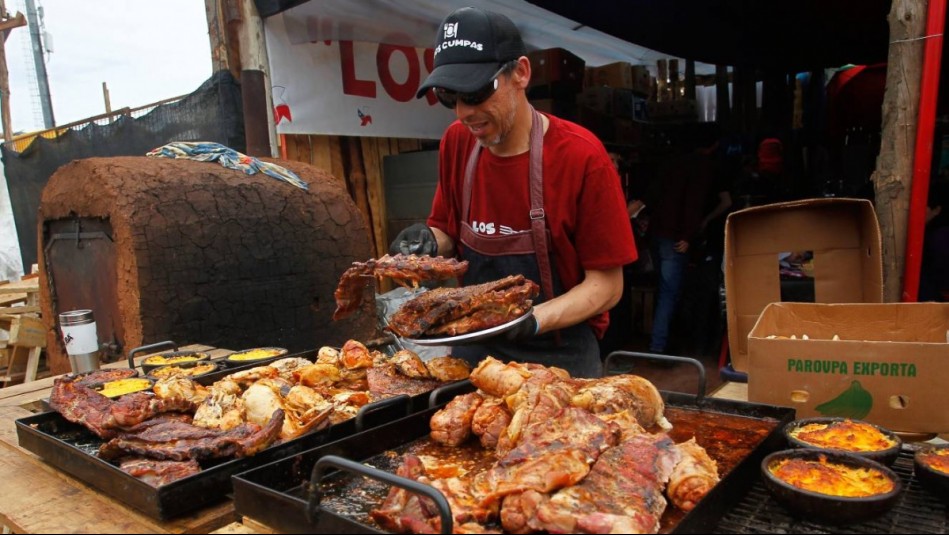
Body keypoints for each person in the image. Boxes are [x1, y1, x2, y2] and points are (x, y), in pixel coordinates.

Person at [390, 7, 637, 378]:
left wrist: (531, 320)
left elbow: (607, 286)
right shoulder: (456, 143)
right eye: (449, 96)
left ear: (521, 73)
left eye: (474, 92)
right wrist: (427, 242)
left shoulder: (582, 156)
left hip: (560, 356)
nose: (463, 112)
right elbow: (449, 234)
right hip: (474, 352)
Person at [646, 126, 717, 355]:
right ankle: (659, 346)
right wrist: (688, 235)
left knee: (664, 289)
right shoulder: (700, 165)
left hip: (657, 233)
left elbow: (654, 194)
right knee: (670, 292)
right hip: (675, 237)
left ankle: (660, 342)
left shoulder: (671, 162)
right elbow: (693, 203)